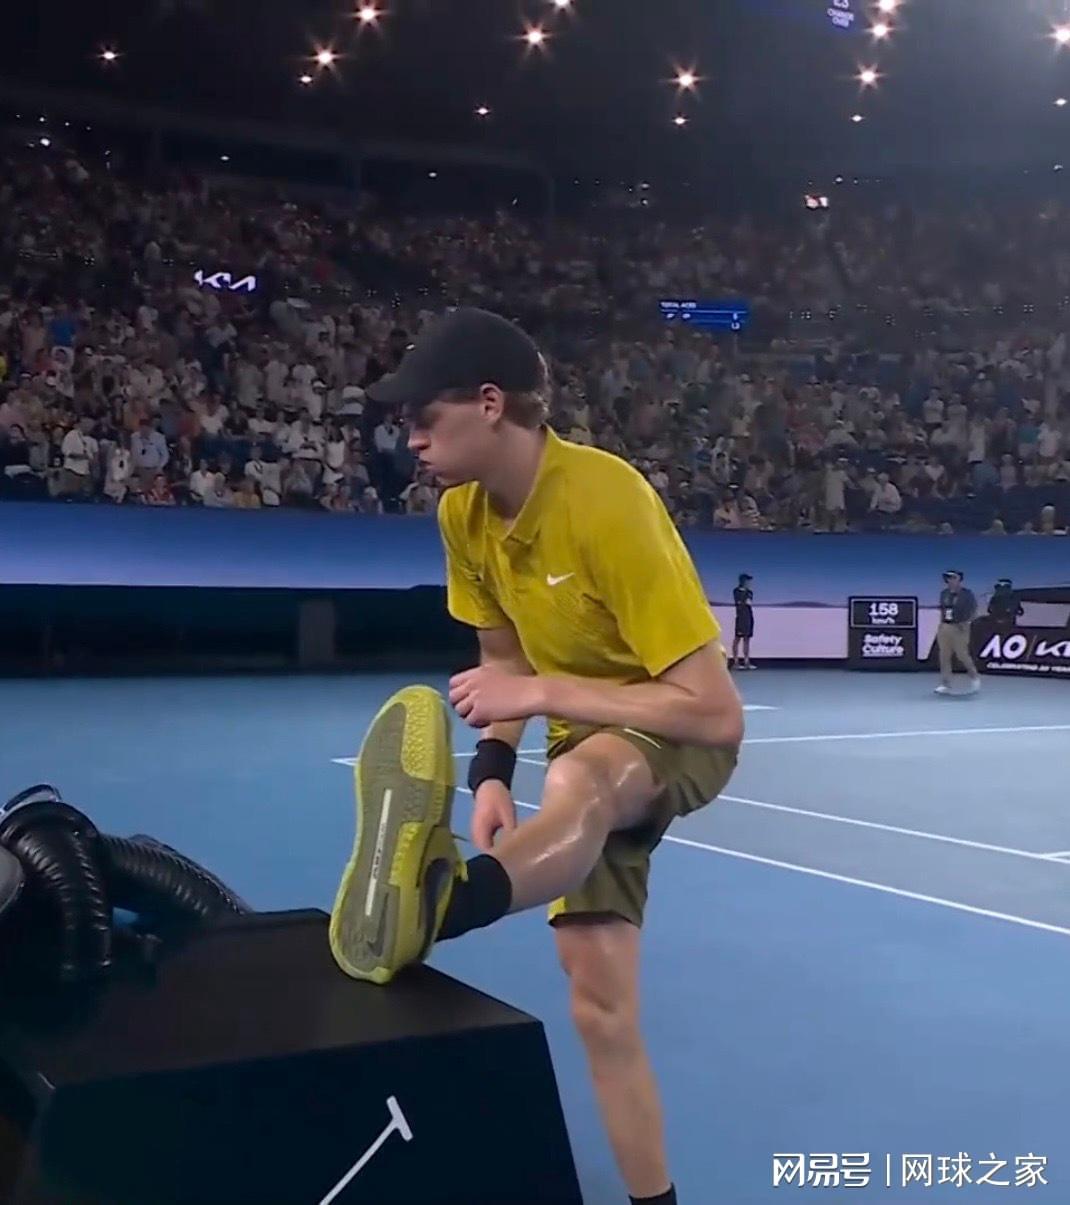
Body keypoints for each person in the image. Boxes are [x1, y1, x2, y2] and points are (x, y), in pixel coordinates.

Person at [328, 308, 744, 1205]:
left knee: (579, 777)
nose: (410, 439)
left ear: (490, 404)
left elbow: (715, 713)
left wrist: (547, 695)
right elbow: (504, 662)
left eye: (424, 418)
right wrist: (487, 774)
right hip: (580, 739)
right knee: (598, 1001)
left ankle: (442, 903)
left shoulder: (607, 500)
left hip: (670, 727)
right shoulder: (461, 514)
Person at [935, 570, 981, 695]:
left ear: (959, 579)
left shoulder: (967, 594)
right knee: (944, 656)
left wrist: (966, 622)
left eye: (953, 578)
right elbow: (943, 610)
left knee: (962, 655)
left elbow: (974, 610)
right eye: (948, 578)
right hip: (945, 627)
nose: (950, 580)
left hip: (960, 627)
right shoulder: (944, 593)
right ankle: (946, 683)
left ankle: (974, 678)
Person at [731, 573, 755, 669]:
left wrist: (745, 602)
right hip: (740, 618)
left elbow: (748, 603)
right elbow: (740, 603)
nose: (749, 583)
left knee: (747, 639)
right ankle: (736, 662)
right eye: (748, 581)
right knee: (737, 639)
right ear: (743, 581)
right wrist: (743, 602)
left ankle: (746, 662)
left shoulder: (750, 592)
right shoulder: (736, 591)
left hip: (748, 618)